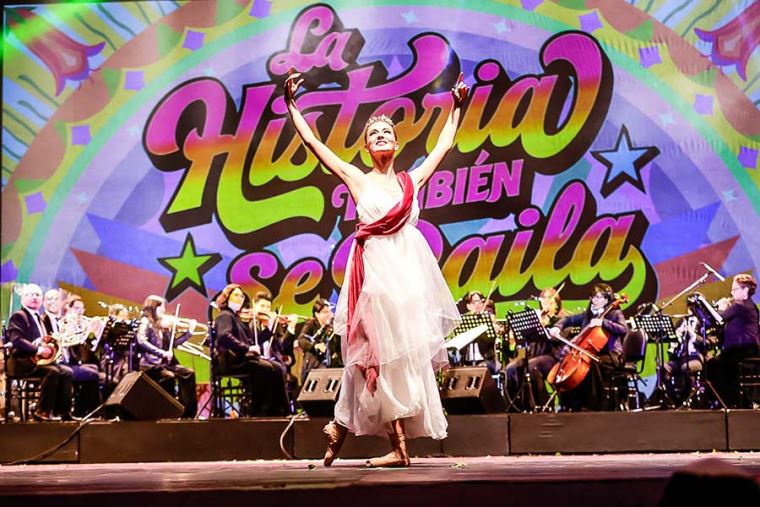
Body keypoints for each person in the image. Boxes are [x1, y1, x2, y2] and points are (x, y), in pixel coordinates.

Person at [285, 65, 468, 467]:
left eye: (387, 132)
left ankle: (351, 431)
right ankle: (369, 436)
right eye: (374, 134)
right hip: (373, 273)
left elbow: (443, 146)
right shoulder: (357, 179)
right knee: (372, 353)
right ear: (366, 146)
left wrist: (458, 108)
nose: (381, 136)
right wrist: (291, 103)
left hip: (407, 275)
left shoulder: (411, 180)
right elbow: (314, 143)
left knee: (401, 359)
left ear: (397, 143)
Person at [547, 283, 627, 411]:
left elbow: (623, 329)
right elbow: (568, 320)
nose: (595, 300)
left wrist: (603, 322)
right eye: (593, 297)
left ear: (607, 299)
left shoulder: (615, 313)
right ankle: (571, 404)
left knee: (591, 365)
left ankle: (593, 404)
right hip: (590, 352)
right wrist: (557, 327)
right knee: (573, 368)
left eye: (599, 297)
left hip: (610, 354)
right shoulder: (588, 314)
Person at [213, 284, 289, 416]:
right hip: (233, 361)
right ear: (226, 297)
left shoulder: (236, 318)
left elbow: (253, 341)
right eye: (236, 295)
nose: (240, 299)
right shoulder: (225, 316)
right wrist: (248, 348)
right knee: (267, 368)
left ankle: (280, 410)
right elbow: (224, 336)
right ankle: (262, 410)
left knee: (278, 367)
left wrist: (269, 329)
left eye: (242, 296)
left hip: (242, 359)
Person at [5, 283, 75, 421]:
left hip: (38, 361)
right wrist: (39, 350)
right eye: (30, 294)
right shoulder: (18, 316)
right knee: (52, 371)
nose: (34, 297)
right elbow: (17, 340)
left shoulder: (39, 318)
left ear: (41, 300)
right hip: (22, 362)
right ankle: (42, 411)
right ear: (23, 299)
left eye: (37, 295)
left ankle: (63, 413)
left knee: (67, 372)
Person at [136, 295, 197, 418]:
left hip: (165, 364)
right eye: (161, 307)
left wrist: (188, 333)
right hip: (151, 364)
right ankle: (170, 412)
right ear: (153, 307)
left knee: (188, 373)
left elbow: (172, 344)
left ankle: (187, 412)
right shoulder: (146, 322)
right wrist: (162, 353)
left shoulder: (162, 326)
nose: (164, 310)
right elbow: (141, 340)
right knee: (169, 377)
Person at [505, 288, 567, 409]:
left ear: (556, 303)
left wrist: (546, 327)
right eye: (543, 298)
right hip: (535, 355)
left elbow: (558, 338)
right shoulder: (537, 318)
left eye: (549, 298)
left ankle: (541, 404)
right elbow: (526, 340)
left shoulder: (561, 320)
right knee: (510, 368)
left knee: (531, 366)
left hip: (553, 357)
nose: (545, 301)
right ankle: (518, 405)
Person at [705, 274, 760, 408]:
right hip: (745, 349)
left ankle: (727, 401)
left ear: (745, 290)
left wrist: (721, 307)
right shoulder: (750, 306)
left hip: (743, 350)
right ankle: (729, 400)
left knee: (713, 365)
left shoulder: (740, 307)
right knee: (717, 363)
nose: (732, 293)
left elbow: (718, 319)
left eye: (735, 289)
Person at [296, 298, 335, 384]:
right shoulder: (311, 324)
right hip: (314, 362)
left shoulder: (333, 326)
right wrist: (315, 346)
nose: (329, 314)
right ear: (317, 314)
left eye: (330, 311)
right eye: (325, 312)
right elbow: (301, 340)